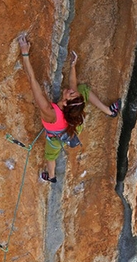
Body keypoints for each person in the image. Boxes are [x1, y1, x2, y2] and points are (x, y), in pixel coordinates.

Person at [18, 34, 121, 183]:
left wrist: (25, 53)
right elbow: (73, 84)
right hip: (73, 127)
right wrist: (73, 65)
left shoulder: (49, 111)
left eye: (70, 93)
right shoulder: (74, 105)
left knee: (50, 155)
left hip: (56, 136)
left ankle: (51, 176)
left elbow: (32, 80)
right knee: (83, 89)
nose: (69, 89)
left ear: (66, 102)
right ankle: (110, 111)